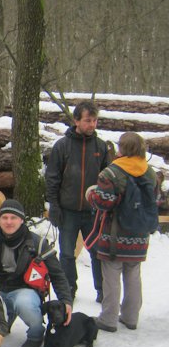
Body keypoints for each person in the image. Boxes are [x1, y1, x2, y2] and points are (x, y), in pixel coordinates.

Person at [0, 199, 73, 347]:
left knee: (24, 303)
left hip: (27, 290)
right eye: (5, 217)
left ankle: (36, 335)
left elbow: (57, 274)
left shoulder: (38, 243)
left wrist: (66, 300)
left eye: (13, 218)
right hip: (0, 288)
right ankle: (2, 324)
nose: (9, 222)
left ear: (21, 219)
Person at [86, 132, 157, 332]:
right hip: (140, 235)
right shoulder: (149, 172)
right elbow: (155, 200)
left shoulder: (111, 172)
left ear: (123, 148)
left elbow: (103, 202)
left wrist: (91, 194)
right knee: (133, 274)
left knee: (111, 276)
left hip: (114, 234)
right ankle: (131, 317)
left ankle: (108, 319)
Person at [46, 100, 112, 303]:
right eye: (87, 120)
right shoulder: (62, 146)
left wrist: (105, 206)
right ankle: (69, 291)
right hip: (68, 210)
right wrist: (54, 206)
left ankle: (102, 291)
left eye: (95, 120)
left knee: (97, 252)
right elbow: (52, 178)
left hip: (93, 212)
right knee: (67, 253)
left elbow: (109, 179)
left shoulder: (101, 147)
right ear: (76, 121)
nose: (92, 124)